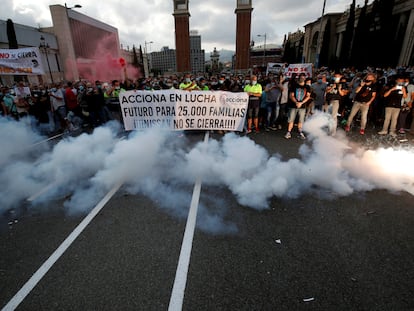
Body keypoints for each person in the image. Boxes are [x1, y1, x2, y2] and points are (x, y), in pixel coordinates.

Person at [284, 72, 310, 139]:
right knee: (291, 120)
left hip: (302, 106)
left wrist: (301, 103)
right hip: (293, 105)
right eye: (301, 77)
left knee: (301, 120)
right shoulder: (294, 85)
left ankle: (300, 132)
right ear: (299, 78)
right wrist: (296, 102)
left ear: (305, 78)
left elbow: (308, 96)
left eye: (303, 78)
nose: (302, 79)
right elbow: (291, 96)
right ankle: (288, 132)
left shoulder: (307, 87)